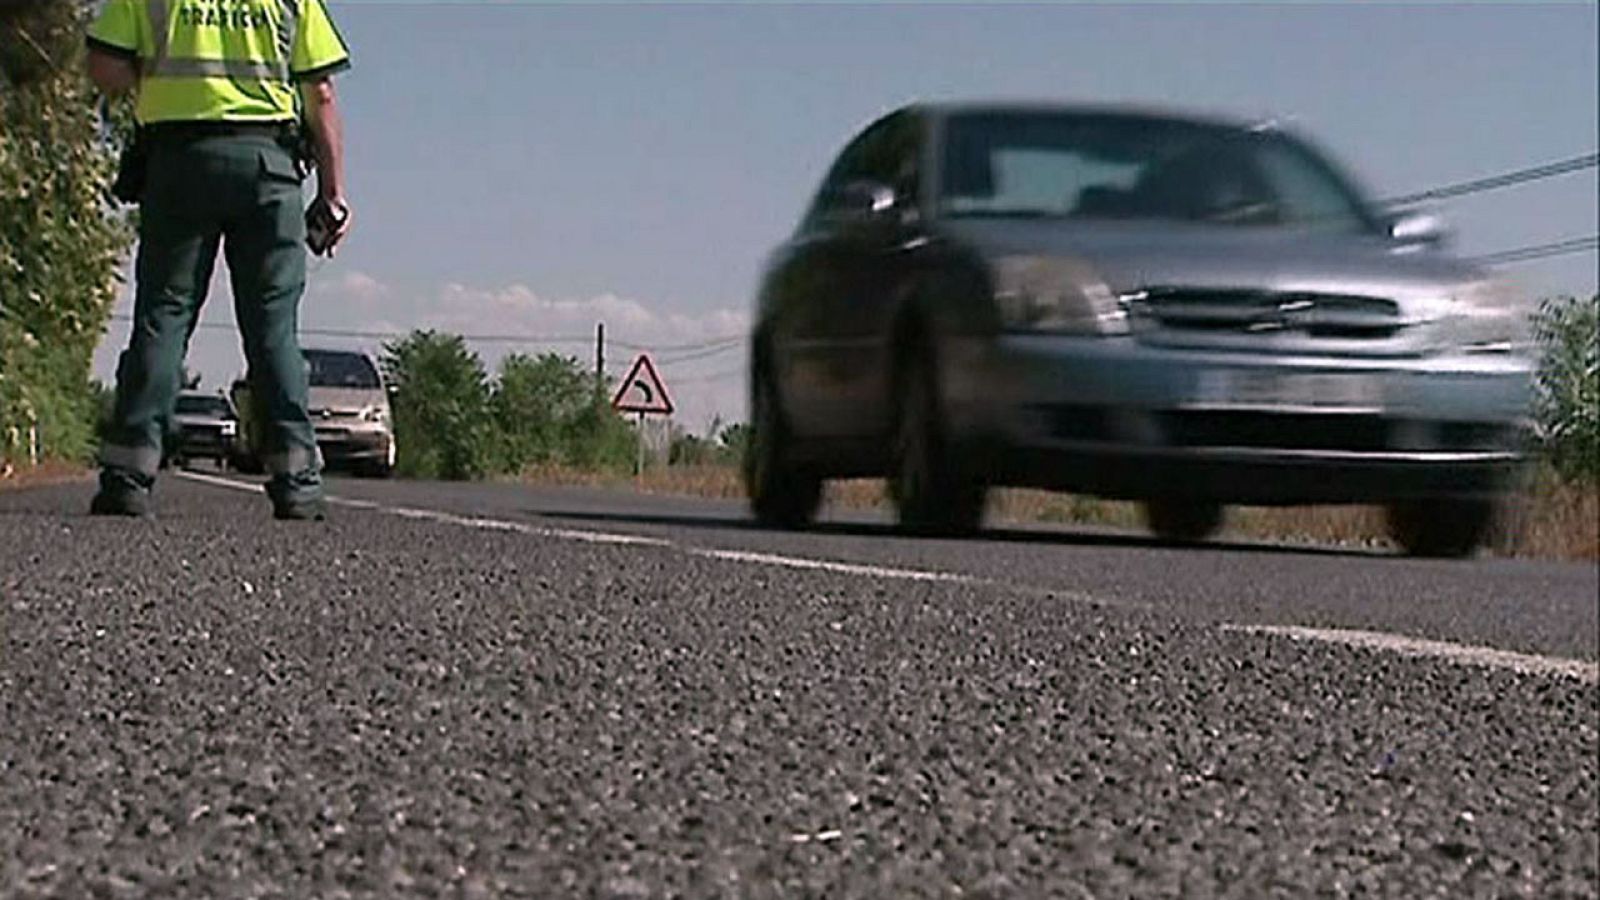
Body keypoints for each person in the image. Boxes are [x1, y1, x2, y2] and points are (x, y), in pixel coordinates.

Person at [85, 0, 352, 520]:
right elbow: (319, 92)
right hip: (267, 168)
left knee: (164, 314)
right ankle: (295, 480)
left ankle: (128, 475)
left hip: (179, 163)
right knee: (273, 327)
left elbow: (105, 67)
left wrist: (153, 76)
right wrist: (333, 192)